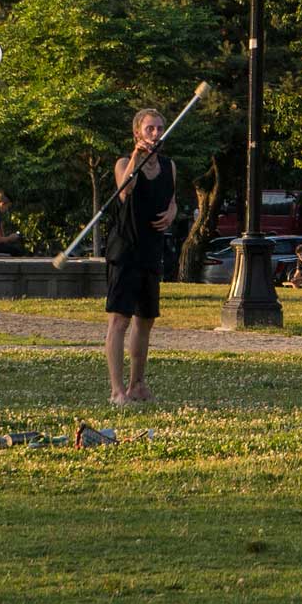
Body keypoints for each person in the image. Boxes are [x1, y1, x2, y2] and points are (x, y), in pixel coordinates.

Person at [105, 108, 176, 405]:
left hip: (151, 250)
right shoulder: (124, 163)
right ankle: (116, 391)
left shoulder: (170, 166)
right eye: (150, 129)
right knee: (119, 319)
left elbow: (172, 199)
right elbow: (126, 190)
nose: (156, 133)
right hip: (126, 249)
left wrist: (174, 211)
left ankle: (137, 385)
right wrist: (136, 155)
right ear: (137, 133)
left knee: (145, 319)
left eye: (160, 128)